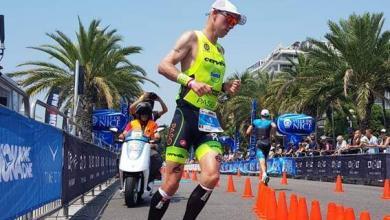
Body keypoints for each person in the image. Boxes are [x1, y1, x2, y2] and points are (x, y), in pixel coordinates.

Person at [147, 1, 244, 219]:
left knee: (211, 176)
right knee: (171, 183)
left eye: (235, 23)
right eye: (228, 19)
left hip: (208, 120)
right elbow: (164, 65)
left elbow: (211, 86)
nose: (231, 26)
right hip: (186, 115)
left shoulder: (220, 50)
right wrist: (189, 82)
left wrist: (226, 87)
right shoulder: (192, 37)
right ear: (213, 14)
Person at [118, 102, 159, 192]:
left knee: (155, 157)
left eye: (146, 114)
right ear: (138, 114)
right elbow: (125, 133)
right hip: (133, 147)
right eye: (142, 113)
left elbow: (157, 134)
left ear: (148, 115)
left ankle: (150, 179)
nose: (144, 115)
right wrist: (121, 136)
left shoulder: (153, 124)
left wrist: (156, 137)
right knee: (120, 155)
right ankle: (120, 176)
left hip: (149, 147)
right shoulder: (132, 123)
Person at [246, 109, 276, 185]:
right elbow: (274, 126)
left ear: (261, 115)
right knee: (265, 160)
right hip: (267, 143)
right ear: (268, 116)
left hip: (259, 142)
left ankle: (264, 174)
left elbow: (247, 132)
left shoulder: (255, 121)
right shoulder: (270, 122)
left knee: (261, 159)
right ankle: (264, 178)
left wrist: (252, 134)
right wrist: (273, 134)